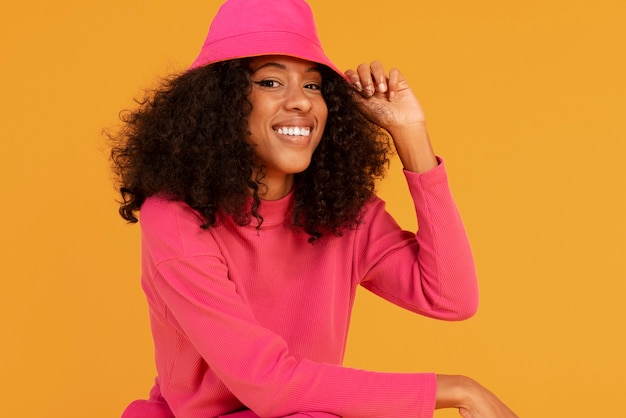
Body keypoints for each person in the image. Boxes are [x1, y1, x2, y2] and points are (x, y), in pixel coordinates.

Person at [108, 0, 518, 417]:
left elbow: (451, 297)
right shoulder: (177, 218)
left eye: (313, 85)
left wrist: (410, 135)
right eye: (270, 82)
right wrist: (460, 391)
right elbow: (267, 383)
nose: (301, 102)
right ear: (220, 103)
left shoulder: (342, 212)